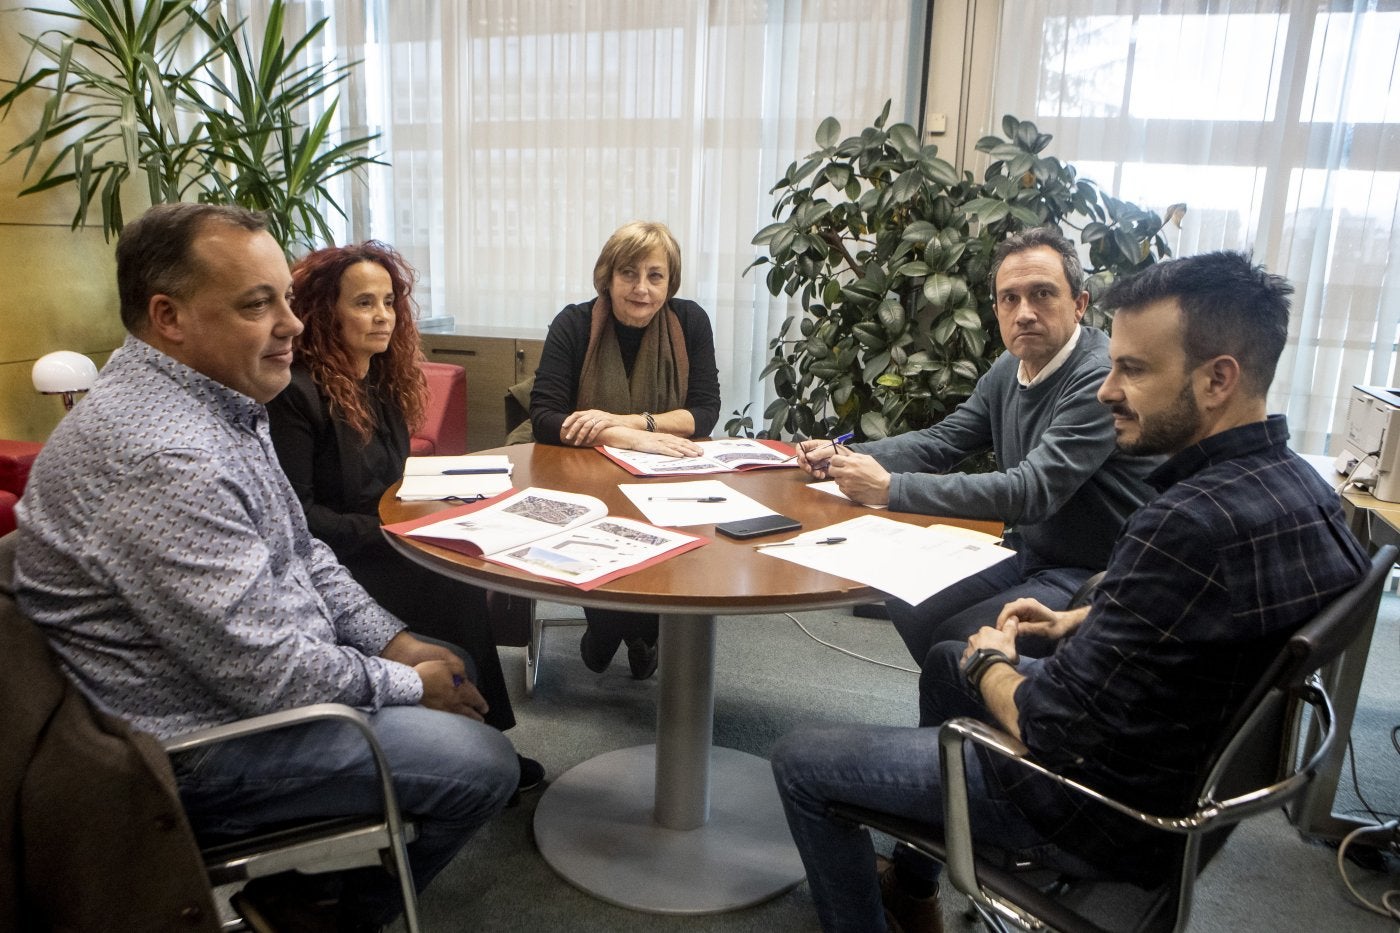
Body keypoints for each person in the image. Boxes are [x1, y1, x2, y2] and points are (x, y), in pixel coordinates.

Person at [771, 250, 1370, 933]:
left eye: (1133, 370)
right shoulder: (1306, 494)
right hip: (1168, 763)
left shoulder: (1181, 524)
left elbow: (1050, 724)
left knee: (801, 759)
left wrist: (989, 660)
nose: (1108, 389)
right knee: (942, 657)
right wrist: (1088, 614)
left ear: (1218, 380)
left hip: (1095, 805)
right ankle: (913, 886)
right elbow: (1203, 608)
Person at [13, 203, 518, 931]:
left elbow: (303, 549)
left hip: (245, 682)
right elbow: (269, 677)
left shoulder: (216, 402)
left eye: (286, 296)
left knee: (452, 656)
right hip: (193, 748)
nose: (294, 324)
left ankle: (304, 886)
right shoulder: (167, 458)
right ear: (169, 316)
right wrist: (406, 680)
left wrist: (391, 641)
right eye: (259, 304)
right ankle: (324, 912)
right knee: (483, 765)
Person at [794, 226, 1157, 665]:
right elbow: (944, 440)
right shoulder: (1012, 365)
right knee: (907, 596)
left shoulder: (1097, 376)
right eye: (1010, 298)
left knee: (955, 638)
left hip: (1092, 572)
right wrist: (848, 456)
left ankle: (984, 707)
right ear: (997, 310)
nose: (1024, 313)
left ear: (1079, 304)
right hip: (1033, 552)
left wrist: (891, 488)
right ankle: (966, 703)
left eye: (1042, 294)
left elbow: (1029, 491)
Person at [265, 241, 543, 792]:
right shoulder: (296, 395)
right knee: (451, 585)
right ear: (326, 312)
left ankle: (478, 733)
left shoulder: (380, 380)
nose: (382, 316)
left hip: (386, 537)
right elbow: (299, 520)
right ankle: (482, 742)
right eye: (364, 303)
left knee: (463, 563)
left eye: (389, 302)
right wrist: (395, 529)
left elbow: (395, 481)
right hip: (341, 559)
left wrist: (443, 502)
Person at [529, 220, 721, 678]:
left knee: (663, 541)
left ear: (669, 282)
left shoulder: (689, 321)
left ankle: (626, 634)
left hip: (668, 474)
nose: (641, 289)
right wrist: (622, 437)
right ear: (607, 277)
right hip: (584, 472)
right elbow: (544, 417)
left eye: (655, 276)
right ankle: (618, 631)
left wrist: (633, 421)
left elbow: (705, 411)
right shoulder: (574, 324)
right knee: (607, 533)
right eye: (628, 274)